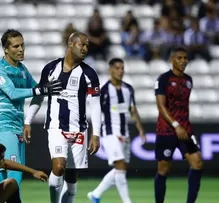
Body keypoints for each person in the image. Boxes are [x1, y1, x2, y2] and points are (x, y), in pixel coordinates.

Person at [23, 32, 101, 203]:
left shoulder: (89, 74)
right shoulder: (50, 69)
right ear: (70, 44)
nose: (85, 49)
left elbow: (95, 105)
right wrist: (27, 121)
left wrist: (96, 133)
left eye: (87, 46)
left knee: (72, 178)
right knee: (58, 167)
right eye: (82, 44)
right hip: (56, 126)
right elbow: (39, 96)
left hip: (79, 130)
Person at [0, 29, 62, 190]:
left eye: (22, 45)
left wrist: (28, 121)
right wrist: (40, 90)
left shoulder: (22, 69)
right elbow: (13, 93)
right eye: (15, 46)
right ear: (6, 49)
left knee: (1, 173)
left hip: (17, 128)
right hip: (3, 127)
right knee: (15, 174)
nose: (21, 49)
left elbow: (38, 91)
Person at [87, 58, 146, 203]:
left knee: (121, 168)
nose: (120, 71)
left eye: (122, 68)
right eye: (117, 68)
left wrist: (140, 129)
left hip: (124, 132)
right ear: (110, 70)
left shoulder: (128, 89)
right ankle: (127, 201)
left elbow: (132, 110)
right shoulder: (104, 90)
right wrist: (94, 134)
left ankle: (95, 194)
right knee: (120, 165)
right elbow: (96, 111)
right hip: (109, 132)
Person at [154, 46, 203, 203]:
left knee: (197, 163)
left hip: (185, 129)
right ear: (171, 60)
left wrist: (182, 125)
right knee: (164, 169)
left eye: (185, 58)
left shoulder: (188, 80)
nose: (183, 61)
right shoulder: (163, 79)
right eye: (179, 58)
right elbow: (161, 106)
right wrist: (176, 124)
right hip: (167, 130)